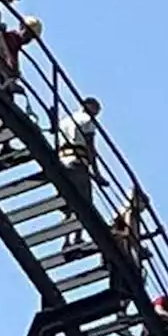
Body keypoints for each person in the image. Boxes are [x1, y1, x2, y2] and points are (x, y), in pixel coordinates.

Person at [0, 16, 44, 165]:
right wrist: (10, 75)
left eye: (32, 38)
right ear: (22, 27)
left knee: (1, 117)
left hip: (3, 84)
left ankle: (2, 147)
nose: (29, 40)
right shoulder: (10, 39)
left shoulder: (14, 44)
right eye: (29, 35)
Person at [57, 97, 108, 246]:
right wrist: (97, 173)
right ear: (89, 106)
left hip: (62, 161)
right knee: (84, 204)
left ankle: (65, 240)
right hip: (78, 163)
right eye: (96, 111)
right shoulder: (87, 121)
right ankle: (77, 238)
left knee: (68, 203)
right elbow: (91, 149)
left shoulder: (65, 120)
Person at [105, 188, 152, 336]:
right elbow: (132, 237)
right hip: (123, 254)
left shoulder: (124, 211)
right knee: (135, 282)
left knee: (126, 284)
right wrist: (140, 252)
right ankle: (121, 314)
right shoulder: (132, 213)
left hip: (115, 251)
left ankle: (121, 313)